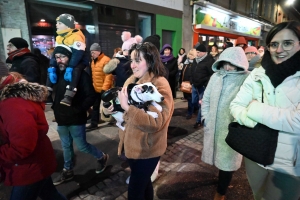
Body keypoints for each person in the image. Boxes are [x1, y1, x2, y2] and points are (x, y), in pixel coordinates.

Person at [230, 21, 300, 200]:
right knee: (257, 195)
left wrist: (254, 108)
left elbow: (297, 121)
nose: (279, 49)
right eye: (274, 44)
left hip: (290, 164)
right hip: (255, 153)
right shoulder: (258, 73)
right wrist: (254, 121)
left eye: (288, 43)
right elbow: (236, 106)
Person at [102, 42, 174, 199]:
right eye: (131, 60)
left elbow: (157, 122)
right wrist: (114, 109)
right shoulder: (132, 81)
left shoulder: (159, 84)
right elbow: (125, 107)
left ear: (150, 60)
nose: (133, 65)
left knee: (135, 192)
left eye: (137, 60)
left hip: (147, 149)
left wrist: (128, 108)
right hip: (132, 146)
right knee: (144, 185)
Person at [0, 62, 66, 200]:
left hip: (28, 168)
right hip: (35, 163)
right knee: (50, 195)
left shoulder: (12, 104)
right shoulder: (11, 97)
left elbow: (21, 147)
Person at [51, 45, 109, 185]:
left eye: (63, 57)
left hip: (76, 118)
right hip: (61, 118)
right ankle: (68, 171)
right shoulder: (56, 75)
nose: (60, 60)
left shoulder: (81, 74)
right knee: (66, 146)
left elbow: (91, 96)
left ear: (70, 58)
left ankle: (101, 157)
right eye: (57, 57)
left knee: (82, 145)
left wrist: (79, 109)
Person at [201, 47, 249, 200]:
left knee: (228, 162)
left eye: (232, 63)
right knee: (217, 157)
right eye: (225, 62)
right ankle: (220, 184)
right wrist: (205, 117)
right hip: (213, 125)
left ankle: (221, 193)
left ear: (240, 63)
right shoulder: (216, 76)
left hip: (231, 128)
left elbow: (248, 103)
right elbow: (206, 99)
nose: (228, 67)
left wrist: (239, 126)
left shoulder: (246, 78)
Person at [46, 13, 88, 106]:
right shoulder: (59, 37)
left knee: (76, 70)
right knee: (51, 69)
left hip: (79, 61)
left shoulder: (77, 35)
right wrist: (52, 66)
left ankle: (69, 95)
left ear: (67, 25)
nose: (56, 25)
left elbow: (78, 54)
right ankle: (47, 93)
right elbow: (55, 53)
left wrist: (70, 67)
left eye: (59, 23)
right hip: (66, 60)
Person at [86, 43, 113, 131]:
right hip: (96, 88)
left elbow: (108, 76)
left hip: (104, 89)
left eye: (93, 52)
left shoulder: (106, 60)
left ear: (98, 51)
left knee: (108, 106)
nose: (92, 54)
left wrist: (104, 88)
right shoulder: (93, 61)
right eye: (91, 52)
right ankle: (94, 123)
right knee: (95, 106)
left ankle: (113, 120)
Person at [190, 44, 215, 128]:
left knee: (202, 104)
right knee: (194, 101)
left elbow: (212, 74)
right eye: (196, 52)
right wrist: (191, 81)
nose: (197, 54)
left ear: (204, 52)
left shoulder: (209, 61)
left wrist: (205, 83)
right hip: (195, 85)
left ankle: (198, 121)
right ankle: (200, 114)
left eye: (198, 52)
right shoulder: (195, 60)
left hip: (203, 86)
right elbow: (192, 71)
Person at [181, 49, 197, 119]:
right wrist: (180, 81)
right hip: (185, 83)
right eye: (190, 54)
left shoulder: (195, 64)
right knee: (188, 98)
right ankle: (193, 109)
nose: (190, 56)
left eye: (192, 55)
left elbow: (194, 74)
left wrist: (191, 82)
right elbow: (182, 73)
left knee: (191, 99)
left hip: (191, 84)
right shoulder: (186, 63)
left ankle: (190, 112)